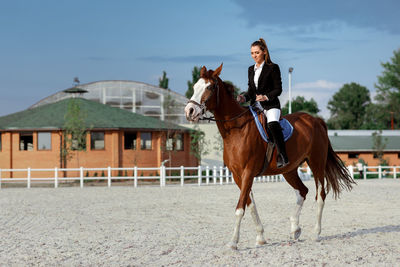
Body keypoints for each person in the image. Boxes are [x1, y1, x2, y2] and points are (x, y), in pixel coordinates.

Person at [237, 38, 289, 168]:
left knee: (272, 124)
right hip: (255, 106)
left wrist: (265, 97)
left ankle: (283, 155)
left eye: (257, 52)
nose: (254, 56)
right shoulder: (250, 69)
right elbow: (251, 91)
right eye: (252, 53)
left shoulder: (273, 67)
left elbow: (278, 89)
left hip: (271, 105)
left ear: (264, 52)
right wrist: (244, 97)